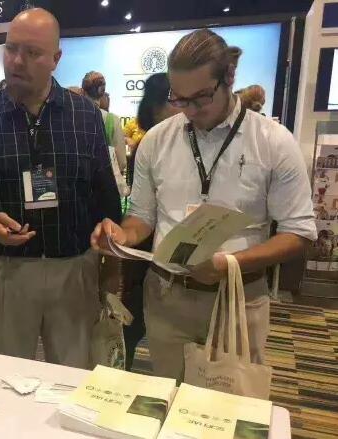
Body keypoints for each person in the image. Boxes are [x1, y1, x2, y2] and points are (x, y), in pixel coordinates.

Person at [91, 28, 316, 381]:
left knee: (231, 407)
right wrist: (123, 236)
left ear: (229, 77)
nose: (189, 111)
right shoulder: (157, 140)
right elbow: (142, 217)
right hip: (167, 297)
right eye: (179, 99)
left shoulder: (273, 142)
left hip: (237, 299)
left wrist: (230, 264)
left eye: (201, 98)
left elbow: (298, 233)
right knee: (168, 396)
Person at [0, 8, 121, 368]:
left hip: (74, 268)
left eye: (32, 52)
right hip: (4, 269)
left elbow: (105, 196)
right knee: (4, 374)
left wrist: (111, 266)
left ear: (56, 58)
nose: (17, 61)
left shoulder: (85, 116)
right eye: (11, 49)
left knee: (73, 374)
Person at [120, 72, 180, 371]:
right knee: (134, 319)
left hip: (174, 249)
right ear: (157, 105)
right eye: (174, 99)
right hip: (146, 247)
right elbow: (142, 209)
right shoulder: (149, 145)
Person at [82, 71, 127, 173]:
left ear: (83, 91)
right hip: (104, 178)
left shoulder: (72, 115)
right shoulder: (112, 120)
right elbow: (122, 162)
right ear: (102, 92)